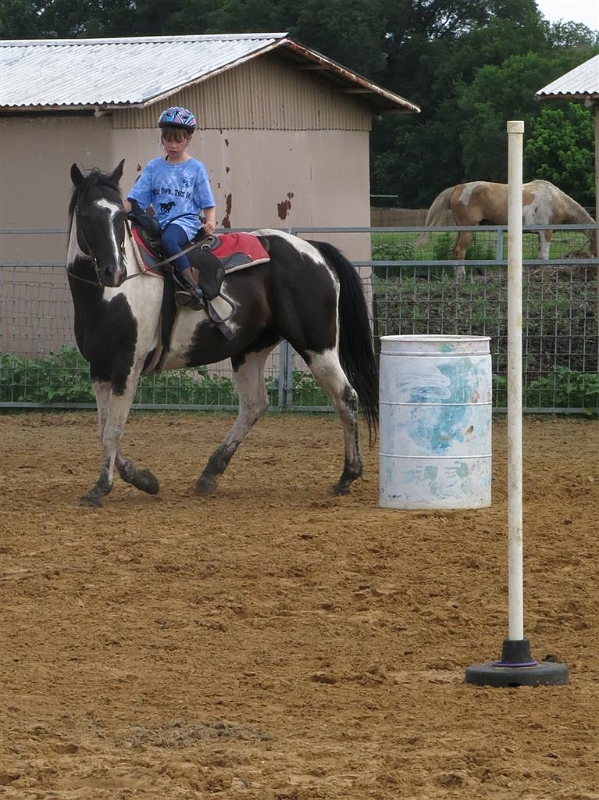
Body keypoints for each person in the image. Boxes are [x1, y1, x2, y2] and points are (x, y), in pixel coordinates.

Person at [124, 106, 216, 307]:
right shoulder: (154, 167)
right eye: (168, 140)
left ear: (188, 139)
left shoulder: (196, 168)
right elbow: (136, 199)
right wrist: (118, 212)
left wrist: (210, 221)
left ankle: (192, 287)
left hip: (185, 222)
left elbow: (207, 201)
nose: (172, 145)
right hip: (160, 221)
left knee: (169, 240)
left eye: (178, 140)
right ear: (162, 139)